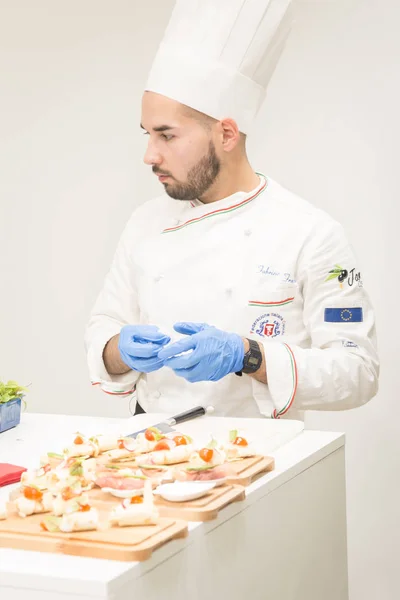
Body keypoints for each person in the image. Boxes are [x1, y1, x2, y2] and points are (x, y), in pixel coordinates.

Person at [84, 0, 379, 420]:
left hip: (262, 457)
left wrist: (248, 354)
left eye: (166, 136)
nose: (150, 155)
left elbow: (358, 373)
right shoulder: (144, 224)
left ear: (226, 133)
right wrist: (119, 350)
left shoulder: (310, 233)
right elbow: (104, 329)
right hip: (150, 448)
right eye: (148, 134)